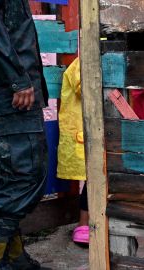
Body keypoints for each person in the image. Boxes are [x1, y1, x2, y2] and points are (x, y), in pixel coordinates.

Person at [0, 0, 49, 269]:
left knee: (12, 176)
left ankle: (13, 256)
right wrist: (18, 79)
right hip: (10, 94)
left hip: (9, 91)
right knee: (25, 174)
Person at [55, 58, 89, 245]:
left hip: (101, 133)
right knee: (94, 181)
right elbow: (86, 89)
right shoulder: (81, 64)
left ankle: (89, 223)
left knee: (99, 180)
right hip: (86, 134)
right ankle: (84, 223)